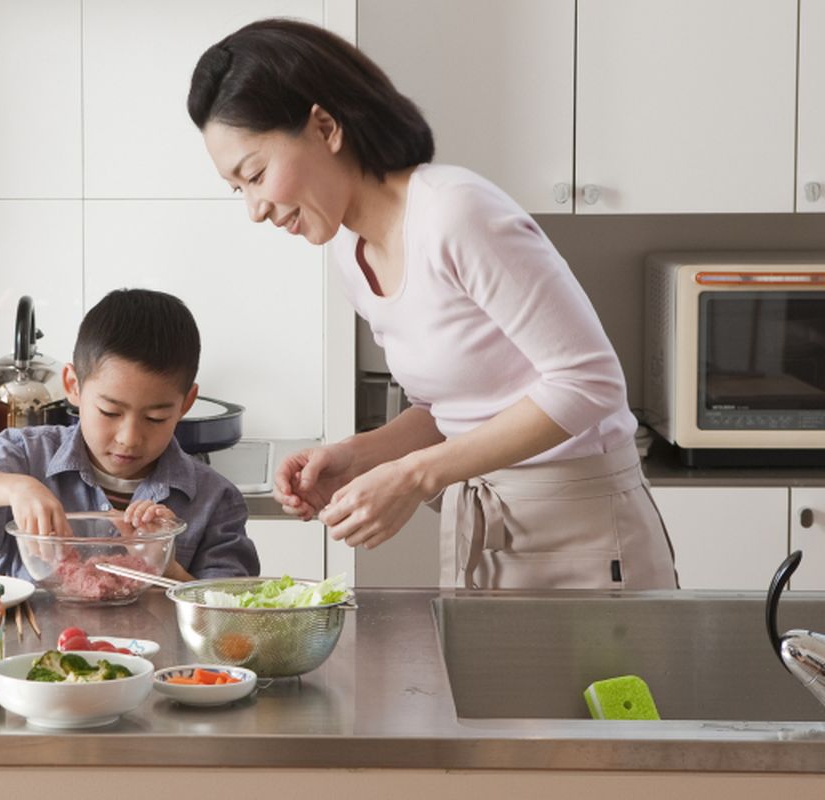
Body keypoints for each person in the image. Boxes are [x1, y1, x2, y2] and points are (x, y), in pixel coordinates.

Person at [186, 18, 676, 590]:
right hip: (494, 536)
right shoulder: (351, 250)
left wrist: (413, 477)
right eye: (238, 189)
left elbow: (589, 383)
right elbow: (450, 410)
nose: (255, 208)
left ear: (324, 126)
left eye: (256, 174)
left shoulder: (455, 213)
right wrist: (357, 455)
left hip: (586, 535)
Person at [0, 288, 260, 583]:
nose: (129, 437)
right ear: (73, 386)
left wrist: (164, 564)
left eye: (155, 418)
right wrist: (17, 487)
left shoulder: (215, 500)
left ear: (186, 403)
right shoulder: (29, 456)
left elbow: (228, 615)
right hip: (35, 657)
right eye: (110, 412)